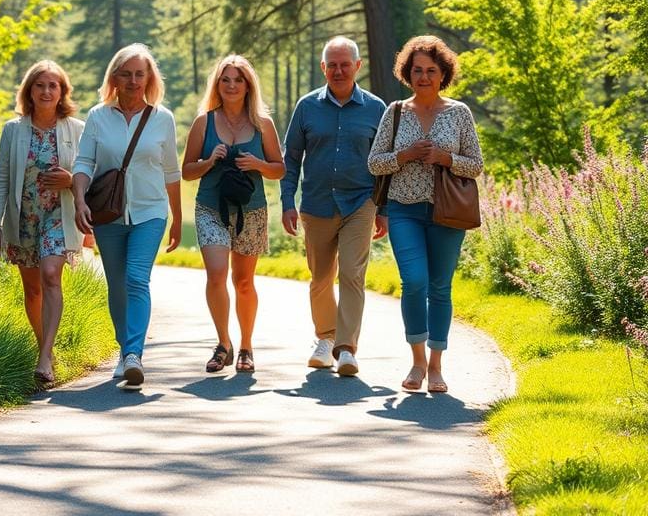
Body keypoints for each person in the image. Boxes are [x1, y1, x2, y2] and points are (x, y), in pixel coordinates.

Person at [367, 35, 483, 393]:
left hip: (447, 212)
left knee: (440, 287)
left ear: (443, 73)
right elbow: (375, 164)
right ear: (407, 73)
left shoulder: (459, 112)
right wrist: (406, 155)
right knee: (414, 281)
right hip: (404, 210)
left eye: (431, 70)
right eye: (417, 70)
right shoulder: (396, 112)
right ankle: (416, 362)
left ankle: (436, 366)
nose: (424, 77)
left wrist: (445, 158)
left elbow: (476, 165)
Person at [73, 44, 182, 388]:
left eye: (140, 73)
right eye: (127, 74)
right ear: (115, 78)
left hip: (150, 211)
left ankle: (134, 354)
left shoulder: (163, 119)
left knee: (136, 278)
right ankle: (124, 350)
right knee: (116, 284)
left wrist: (177, 218)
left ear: (149, 78)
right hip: (108, 212)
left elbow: (171, 171)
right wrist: (79, 200)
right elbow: (84, 162)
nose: (134, 81)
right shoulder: (97, 116)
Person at [281, 36, 387, 376]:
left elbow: (385, 164)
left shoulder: (376, 108)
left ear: (357, 66)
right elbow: (291, 157)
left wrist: (382, 208)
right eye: (332, 65)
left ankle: (346, 349)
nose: (339, 71)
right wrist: (287, 201)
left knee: (353, 275)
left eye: (345, 64)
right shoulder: (307, 107)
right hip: (317, 203)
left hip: (361, 202)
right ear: (323, 67)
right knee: (321, 277)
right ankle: (324, 339)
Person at [182, 55, 284, 373]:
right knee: (216, 275)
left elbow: (279, 169)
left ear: (248, 85)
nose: (231, 85)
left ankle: (246, 347)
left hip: (251, 210)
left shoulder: (262, 124)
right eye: (225, 79)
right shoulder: (204, 122)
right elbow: (187, 171)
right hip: (210, 207)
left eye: (237, 80)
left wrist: (258, 165)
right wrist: (210, 160)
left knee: (242, 282)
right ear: (218, 84)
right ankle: (223, 343)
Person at [0, 61, 84, 387]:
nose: (46, 91)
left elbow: (89, 177)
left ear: (62, 92)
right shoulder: (13, 130)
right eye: (39, 85)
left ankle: (44, 358)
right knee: (32, 290)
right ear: (29, 91)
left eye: (52, 86)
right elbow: (1, 177)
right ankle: (45, 348)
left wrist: (70, 180)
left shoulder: (76, 129)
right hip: (23, 218)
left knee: (50, 275)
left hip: (58, 216)